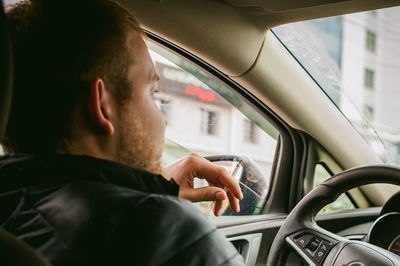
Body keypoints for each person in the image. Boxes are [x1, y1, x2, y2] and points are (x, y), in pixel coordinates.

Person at [0, 0, 245, 265]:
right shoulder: (167, 235)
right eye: (153, 94)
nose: (162, 121)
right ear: (102, 105)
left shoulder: (11, 214)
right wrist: (151, 207)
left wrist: (147, 185)